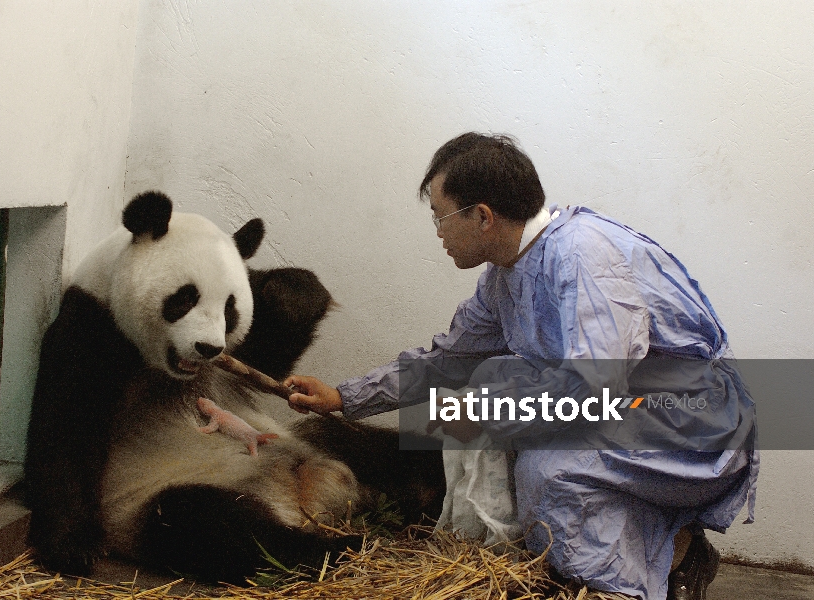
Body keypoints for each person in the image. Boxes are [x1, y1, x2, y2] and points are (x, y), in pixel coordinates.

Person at [284, 132, 758, 600]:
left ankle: (660, 568)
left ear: (483, 216)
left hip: (693, 418)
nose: (439, 233)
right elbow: (447, 359)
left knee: (547, 472)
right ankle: (664, 550)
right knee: (493, 392)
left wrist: (495, 414)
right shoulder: (505, 277)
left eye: (440, 216)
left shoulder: (582, 255)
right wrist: (345, 396)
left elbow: (599, 384)